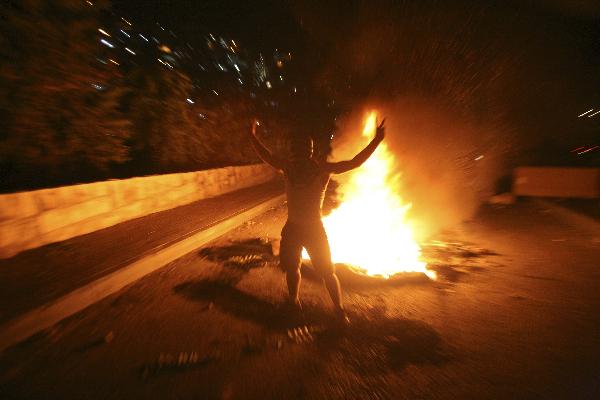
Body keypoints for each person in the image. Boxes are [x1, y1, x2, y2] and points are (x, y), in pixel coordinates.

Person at [250, 118, 386, 324]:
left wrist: (376, 141)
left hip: (308, 229)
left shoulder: (305, 168)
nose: (297, 155)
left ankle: (337, 310)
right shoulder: (301, 167)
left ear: (307, 151)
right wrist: (376, 140)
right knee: (297, 268)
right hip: (299, 229)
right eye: (296, 151)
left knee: (325, 272)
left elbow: (354, 163)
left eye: (299, 150)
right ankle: (297, 302)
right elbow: (354, 162)